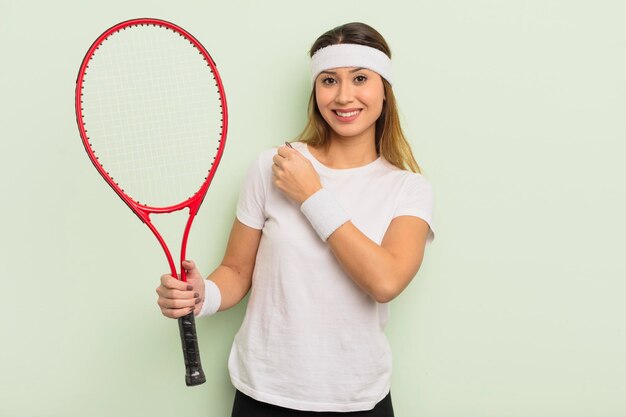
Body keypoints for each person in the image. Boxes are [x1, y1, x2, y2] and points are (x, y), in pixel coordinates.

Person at [156, 22, 435, 417]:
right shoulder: (273, 167)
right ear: (315, 91)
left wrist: (312, 195)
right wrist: (202, 295)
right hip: (264, 394)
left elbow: (384, 281)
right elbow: (236, 271)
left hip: (357, 399)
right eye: (328, 81)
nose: (343, 96)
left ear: (384, 91)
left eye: (360, 78)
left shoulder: (409, 188)